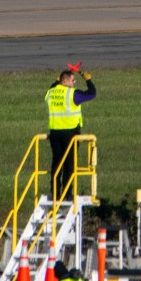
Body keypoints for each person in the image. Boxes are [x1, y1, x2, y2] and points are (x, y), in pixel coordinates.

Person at [44, 63, 97, 194]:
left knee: (56, 163)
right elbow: (92, 94)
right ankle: (67, 194)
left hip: (55, 133)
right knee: (69, 164)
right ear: (66, 81)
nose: (74, 83)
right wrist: (88, 79)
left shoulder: (50, 93)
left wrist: (57, 79)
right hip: (70, 134)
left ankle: (55, 192)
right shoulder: (72, 94)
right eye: (73, 80)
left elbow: (53, 87)